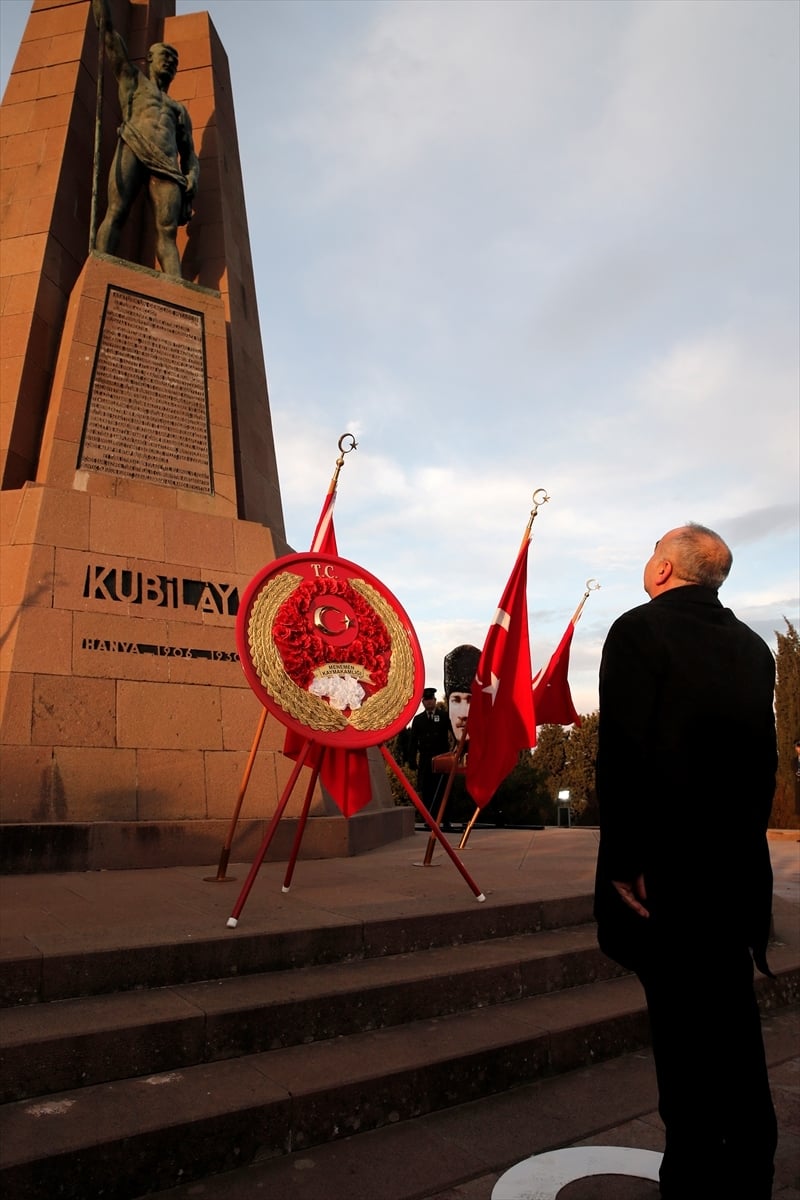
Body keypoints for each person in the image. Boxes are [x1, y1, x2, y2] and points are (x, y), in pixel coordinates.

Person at [594, 524, 778, 1199]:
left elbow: (622, 753)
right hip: (733, 874)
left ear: (665, 567)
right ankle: (749, 1170)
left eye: (650, 549)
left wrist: (622, 859)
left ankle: (695, 1181)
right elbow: (763, 766)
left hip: (665, 879)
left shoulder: (638, 631)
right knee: (732, 1029)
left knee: (684, 1045)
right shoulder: (754, 647)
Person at [92, 0, 200, 277]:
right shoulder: (133, 79)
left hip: (166, 165)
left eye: (175, 61)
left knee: (167, 232)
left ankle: (175, 287)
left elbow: (189, 153)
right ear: (150, 59)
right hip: (134, 145)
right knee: (116, 211)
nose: (171, 62)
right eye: (166, 56)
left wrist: (193, 176)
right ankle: (101, 267)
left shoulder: (178, 109)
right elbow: (109, 34)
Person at [407, 688, 451, 815]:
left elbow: (454, 733)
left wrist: (457, 751)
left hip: (441, 757)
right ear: (422, 702)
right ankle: (429, 818)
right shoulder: (418, 720)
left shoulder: (443, 716)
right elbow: (413, 741)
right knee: (427, 789)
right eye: (426, 700)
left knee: (443, 788)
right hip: (425, 759)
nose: (429, 702)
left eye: (431, 699)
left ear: (435, 700)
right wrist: (412, 759)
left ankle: (445, 818)